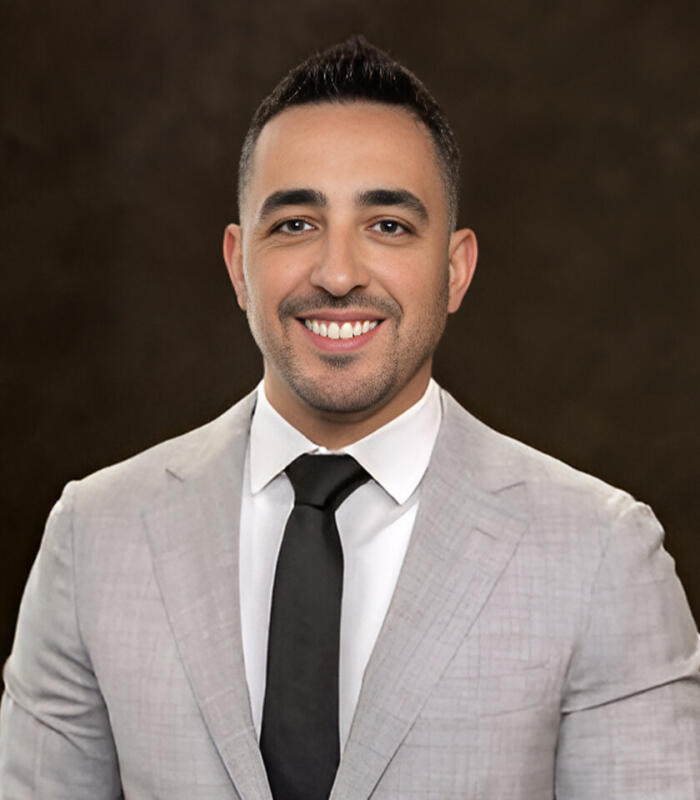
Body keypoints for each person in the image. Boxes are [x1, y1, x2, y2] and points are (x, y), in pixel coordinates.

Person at [1, 36, 698, 800]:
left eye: (388, 225)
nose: (337, 274)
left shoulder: (601, 553)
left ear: (455, 269)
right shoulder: (94, 534)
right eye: (295, 224)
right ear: (239, 265)